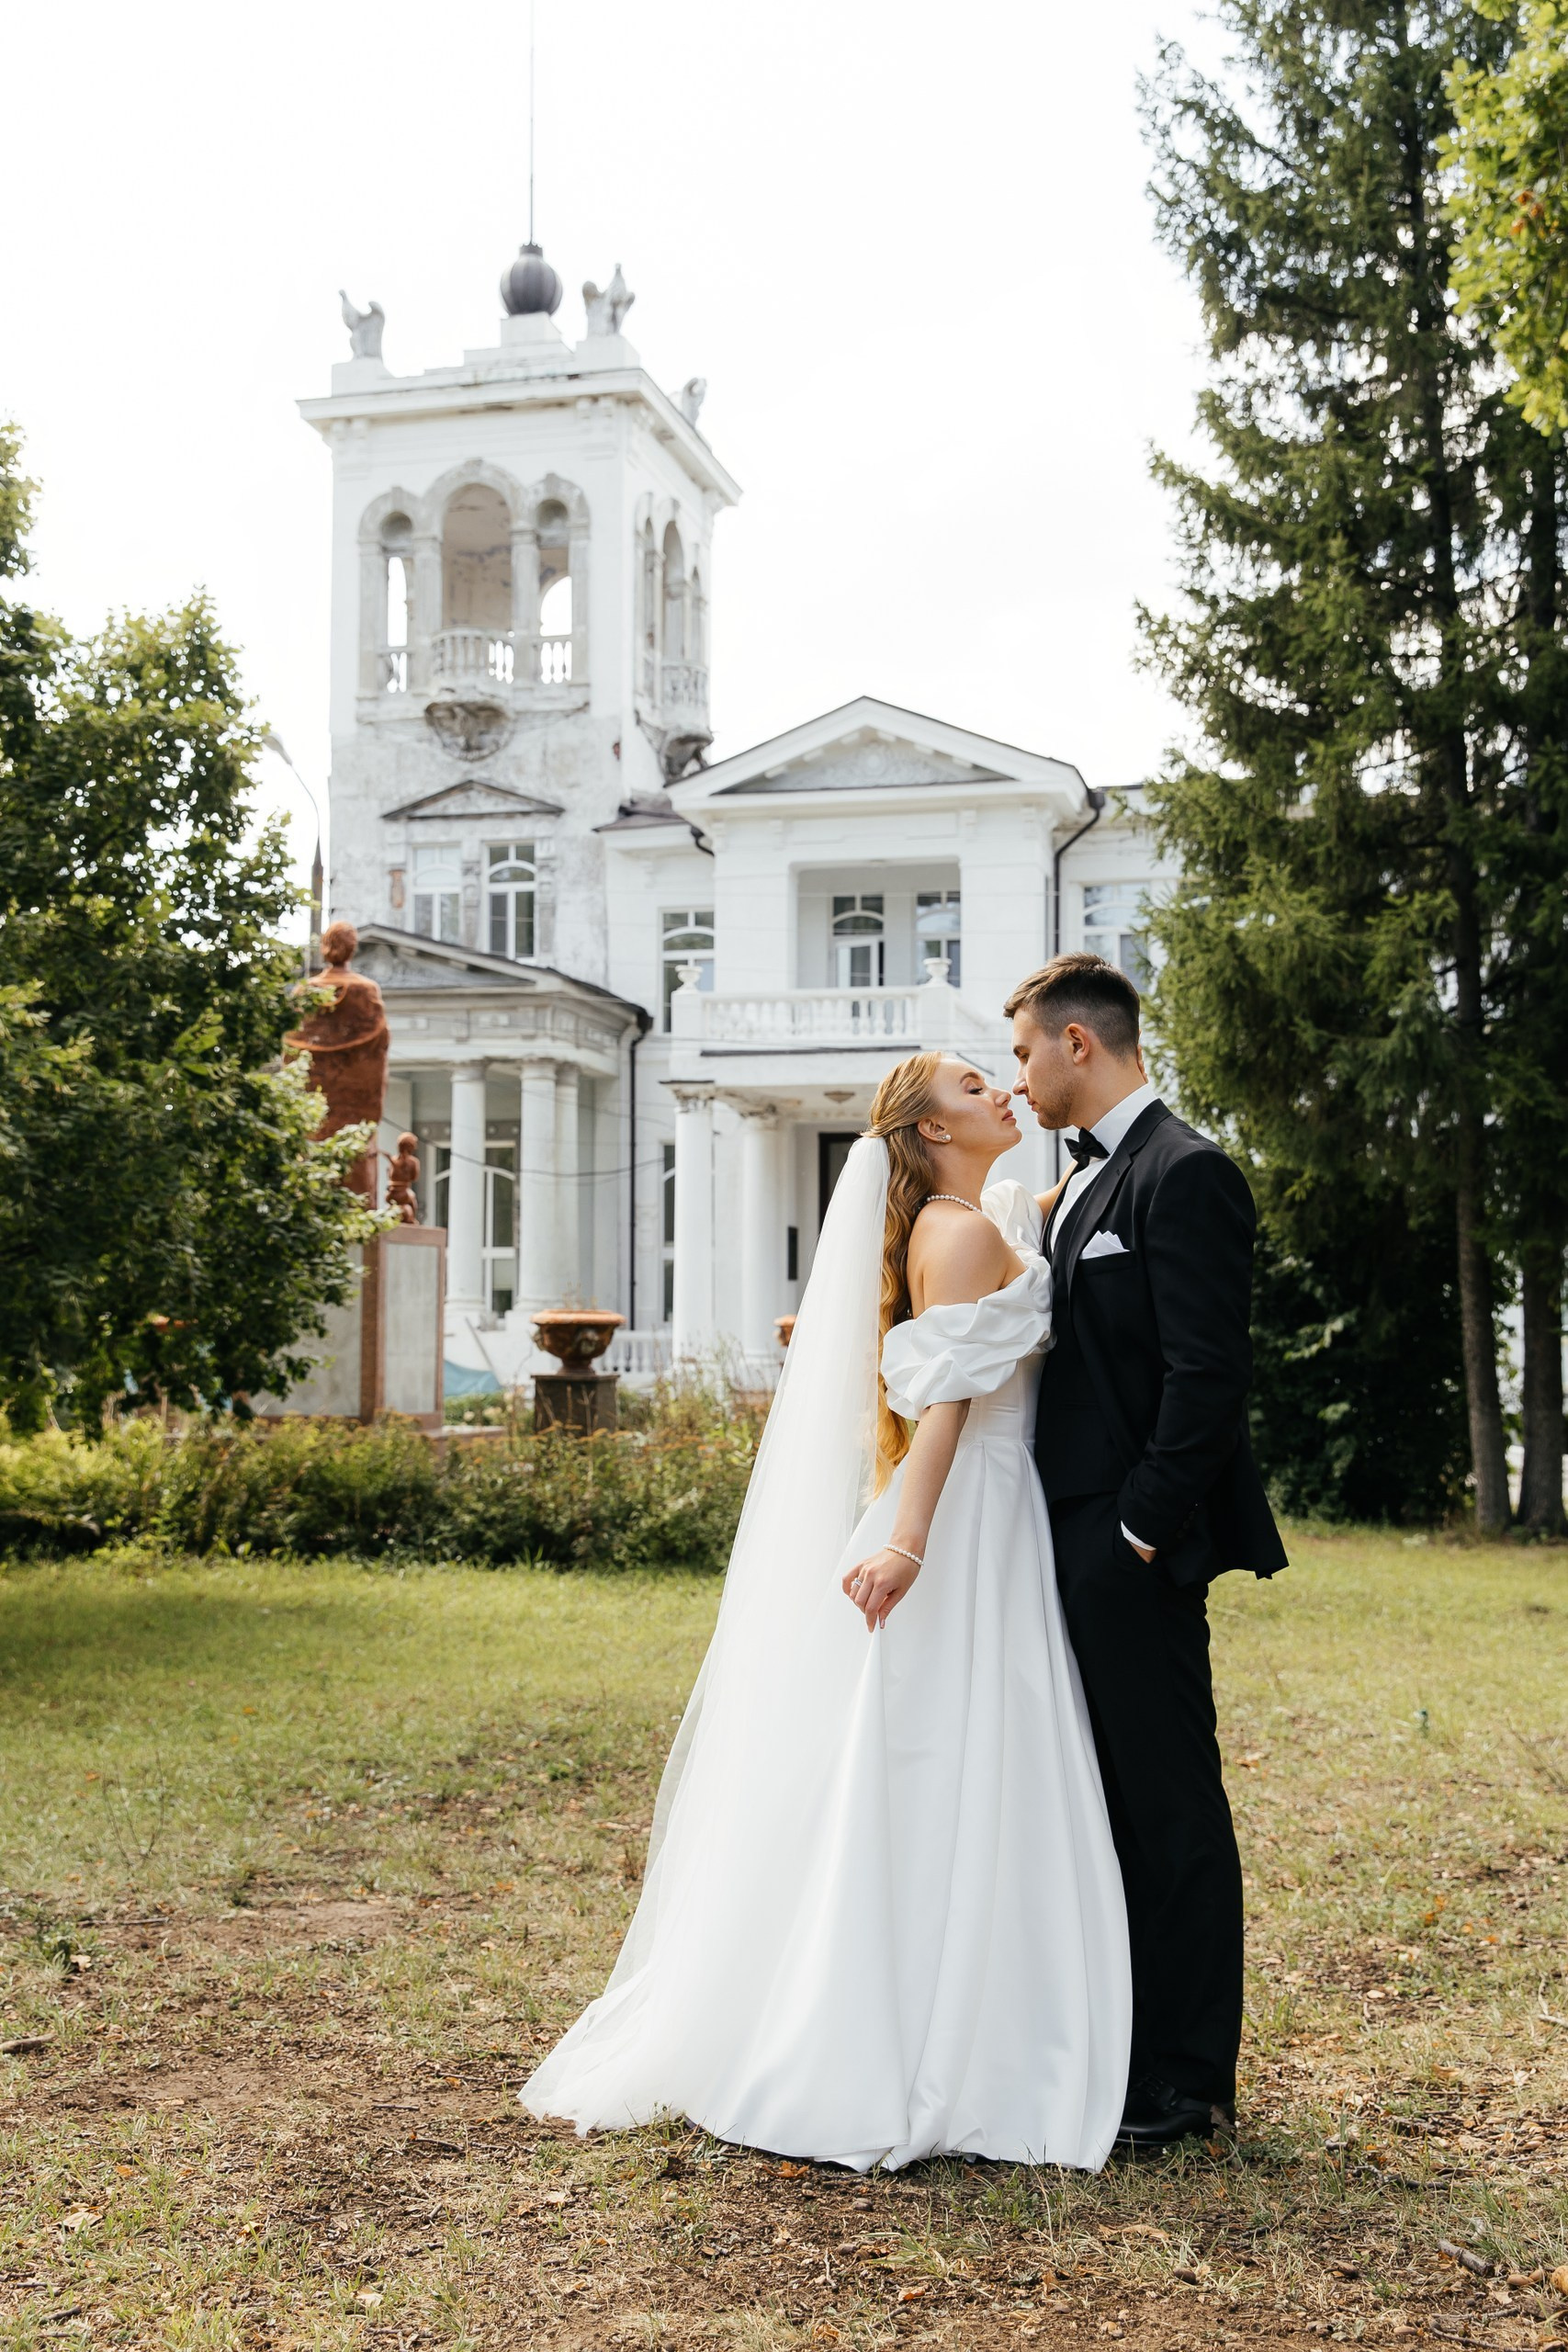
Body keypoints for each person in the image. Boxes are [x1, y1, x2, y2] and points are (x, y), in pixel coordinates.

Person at [520, 1051, 1131, 2170]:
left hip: (992, 1508)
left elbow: (1023, 1240)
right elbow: (947, 1401)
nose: (1000, 1091)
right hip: (966, 1512)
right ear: (932, 1130)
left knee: (940, 1750)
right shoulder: (956, 1233)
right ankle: (909, 2027)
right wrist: (909, 1539)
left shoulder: (974, 1215)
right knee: (936, 1754)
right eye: (972, 1087)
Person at [1006, 952, 1287, 2148]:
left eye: (1024, 1050)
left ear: (1078, 1042)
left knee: (1168, 1801)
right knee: (1099, 1798)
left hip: (1128, 1546)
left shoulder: (1186, 1171)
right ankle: (1119, 2048)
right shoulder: (1072, 1184)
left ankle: (1186, 2079)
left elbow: (1207, 1377)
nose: (1018, 1077)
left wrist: (1134, 1531)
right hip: (1055, 1538)